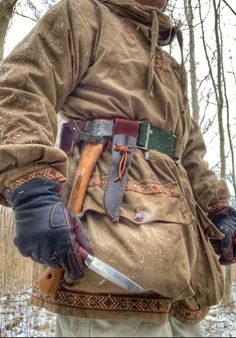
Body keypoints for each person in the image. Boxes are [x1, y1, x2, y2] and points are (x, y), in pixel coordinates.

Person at [0, 0, 236, 336]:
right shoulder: (82, 15)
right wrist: (31, 188)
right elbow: (19, 89)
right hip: (108, 262)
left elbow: (190, 152)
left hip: (181, 270)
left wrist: (218, 209)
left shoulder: (171, 66)